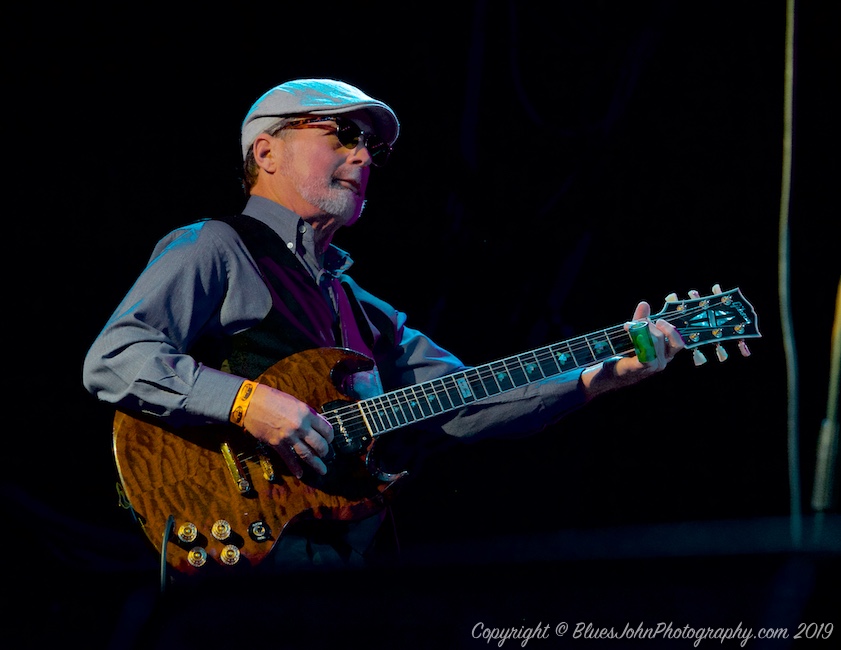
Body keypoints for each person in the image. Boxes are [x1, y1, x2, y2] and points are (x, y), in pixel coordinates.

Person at [82, 78, 684, 574]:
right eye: (343, 135)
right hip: (235, 546)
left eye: (373, 146)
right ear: (266, 153)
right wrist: (247, 402)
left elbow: (468, 397)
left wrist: (604, 375)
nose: (365, 156)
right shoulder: (214, 246)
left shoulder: (363, 310)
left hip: (343, 564)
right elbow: (115, 358)